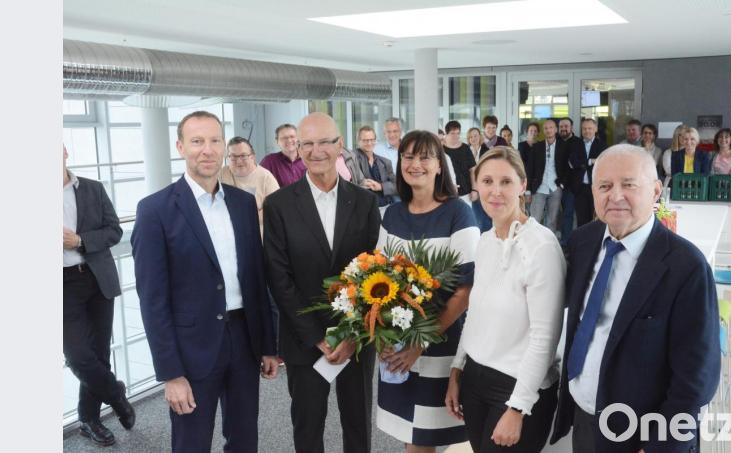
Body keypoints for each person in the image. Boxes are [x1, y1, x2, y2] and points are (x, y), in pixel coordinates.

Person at [550, 145, 720, 452]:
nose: (615, 196)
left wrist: (659, 446)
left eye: (628, 185)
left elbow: (696, 379)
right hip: (584, 418)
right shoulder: (583, 241)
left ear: (655, 191)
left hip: (640, 435)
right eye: (604, 186)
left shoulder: (686, 267)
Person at [132, 111, 279, 453]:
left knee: (245, 439)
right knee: (192, 442)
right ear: (181, 146)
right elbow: (152, 300)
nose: (207, 150)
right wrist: (170, 373)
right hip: (190, 348)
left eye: (215, 141)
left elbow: (256, 279)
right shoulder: (155, 210)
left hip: (244, 339)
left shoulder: (243, 204)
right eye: (197, 141)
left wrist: (269, 343)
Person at [264, 112, 380, 453]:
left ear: (340, 145)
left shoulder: (365, 201)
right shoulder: (278, 205)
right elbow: (278, 276)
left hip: (356, 339)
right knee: (308, 426)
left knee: (358, 425)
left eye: (325, 142)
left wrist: (350, 334)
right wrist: (316, 336)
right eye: (307, 143)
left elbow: (376, 272)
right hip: (304, 341)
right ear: (298, 148)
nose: (316, 151)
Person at [445, 147, 564, 452]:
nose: (495, 191)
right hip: (475, 379)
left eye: (506, 182)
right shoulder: (485, 241)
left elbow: (544, 338)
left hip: (516, 387)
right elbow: (475, 313)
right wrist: (458, 369)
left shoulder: (542, 247)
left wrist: (518, 407)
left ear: (523, 185)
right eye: (487, 181)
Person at [376, 130, 480, 452]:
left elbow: (465, 290)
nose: (415, 164)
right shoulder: (392, 214)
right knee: (412, 434)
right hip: (397, 343)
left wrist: (420, 343)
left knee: (430, 434)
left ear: (440, 166)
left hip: (441, 340)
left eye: (425, 157)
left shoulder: (458, 212)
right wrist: (381, 333)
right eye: (408, 156)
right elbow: (376, 276)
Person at [63, 145, 135, 447]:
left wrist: (79, 240)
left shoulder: (92, 188)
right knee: (78, 356)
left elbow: (114, 231)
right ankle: (116, 395)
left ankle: (88, 420)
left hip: (96, 279)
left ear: (64, 151)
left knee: (99, 353)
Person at [220, 136, 280, 234]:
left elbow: (275, 212)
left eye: (243, 156)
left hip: (258, 237)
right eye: (233, 157)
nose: (239, 161)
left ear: (252, 156)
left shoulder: (266, 178)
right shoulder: (222, 174)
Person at [527, 119, 567, 234]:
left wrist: (562, 184)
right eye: (546, 128)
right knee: (534, 220)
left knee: (552, 220)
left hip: (555, 188)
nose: (548, 130)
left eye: (551, 128)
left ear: (555, 130)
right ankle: (534, 246)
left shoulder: (563, 146)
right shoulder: (537, 147)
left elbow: (566, 168)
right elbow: (530, 169)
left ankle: (549, 247)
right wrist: (528, 191)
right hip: (539, 188)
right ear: (543, 131)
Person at [568, 118, 605, 227]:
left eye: (590, 128)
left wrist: (582, 163)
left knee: (595, 218)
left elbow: (602, 163)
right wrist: (590, 161)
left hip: (596, 187)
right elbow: (572, 163)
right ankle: (583, 243)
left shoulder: (602, 145)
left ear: (595, 129)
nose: (587, 131)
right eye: (584, 129)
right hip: (580, 187)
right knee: (581, 219)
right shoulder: (575, 144)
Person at [355, 125, 398, 206]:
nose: (369, 143)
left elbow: (397, 186)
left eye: (372, 140)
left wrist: (381, 186)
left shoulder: (385, 162)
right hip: (363, 209)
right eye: (365, 140)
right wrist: (360, 183)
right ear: (358, 141)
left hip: (385, 206)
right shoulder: (352, 159)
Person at [557, 118, 583, 249]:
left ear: (571, 127)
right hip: (554, 184)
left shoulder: (578, 142)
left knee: (568, 214)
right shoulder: (554, 141)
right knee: (554, 214)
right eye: (561, 126)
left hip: (571, 186)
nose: (563, 128)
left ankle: (566, 242)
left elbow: (580, 163)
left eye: (566, 126)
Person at [442, 120, 476, 202]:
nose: (456, 136)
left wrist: (475, 190)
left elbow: (472, 170)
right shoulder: (441, 150)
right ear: (446, 134)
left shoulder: (465, 148)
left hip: (466, 193)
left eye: (458, 133)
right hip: (446, 193)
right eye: (453, 133)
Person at [467, 126, 492, 231]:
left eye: (475, 136)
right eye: (471, 136)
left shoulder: (487, 151)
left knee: (487, 213)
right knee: (476, 214)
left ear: (480, 137)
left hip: (485, 185)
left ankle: (488, 235)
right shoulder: (466, 150)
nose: (473, 138)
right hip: (472, 186)